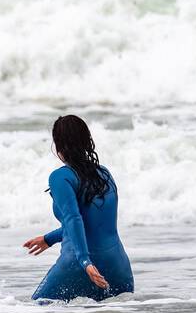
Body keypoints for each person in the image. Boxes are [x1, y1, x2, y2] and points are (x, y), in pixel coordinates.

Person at [23, 114, 134, 302]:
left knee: (36, 312)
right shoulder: (104, 174)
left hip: (80, 266)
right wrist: (49, 239)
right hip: (118, 268)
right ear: (86, 141)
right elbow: (96, 224)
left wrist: (85, 262)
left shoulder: (61, 177)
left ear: (58, 145)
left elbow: (73, 219)